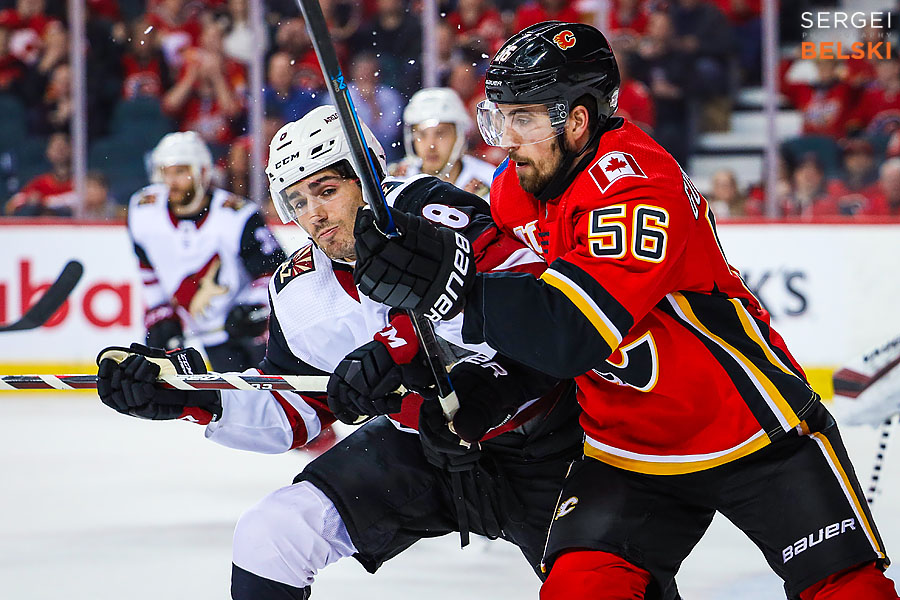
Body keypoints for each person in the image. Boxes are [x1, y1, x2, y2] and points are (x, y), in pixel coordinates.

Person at [350, 21, 900, 600]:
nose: (505, 138)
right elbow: (507, 311)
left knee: (847, 590)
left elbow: (570, 333)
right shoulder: (517, 184)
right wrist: (431, 359)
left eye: (525, 119)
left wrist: (448, 282)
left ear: (579, 119)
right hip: (626, 447)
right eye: (499, 117)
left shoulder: (637, 186)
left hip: (748, 427)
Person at [97, 106, 586, 600]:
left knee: (597, 587)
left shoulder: (428, 207)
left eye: (327, 191)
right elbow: (292, 407)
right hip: (419, 450)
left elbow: (534, 303)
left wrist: (398, 347)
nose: (314, 215)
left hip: (548, 445)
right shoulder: (298, 288)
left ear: (370, 177)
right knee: (270, 535)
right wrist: (192, 398)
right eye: (297, 200)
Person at [128, 130, 285, 371]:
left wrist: (252, 308)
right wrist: (160, 312)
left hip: (239, 336)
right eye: (165, 172)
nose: (171, 182)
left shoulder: (238, 215)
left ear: (202, 172)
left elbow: (275, 271)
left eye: (180, 171)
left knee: (253, 402)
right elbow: (147, 267)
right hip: (187, 335)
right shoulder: (143, 211)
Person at [389, 87, 496, 198]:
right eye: (421, 134)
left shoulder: (489, 180)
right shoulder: (396, 181)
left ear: (459, 136)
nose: (431, 145)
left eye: (440, 134)